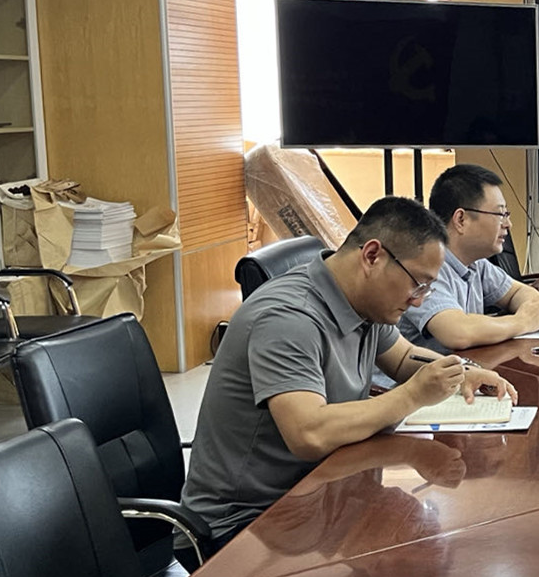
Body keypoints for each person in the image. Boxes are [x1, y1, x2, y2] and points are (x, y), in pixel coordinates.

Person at [181, 196, 518, 544]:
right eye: (417, 283)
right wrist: (413, 395)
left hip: (323, 493)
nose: (418, 300)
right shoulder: (289, 318)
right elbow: (309, 434)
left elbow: (404, 357)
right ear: (372, 256)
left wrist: (462, 371)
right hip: (249, 524)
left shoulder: (363, 301)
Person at [399, 164, 539, 352]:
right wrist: (523, 321)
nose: (508, 224)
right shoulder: (426, 268)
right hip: (419, 371)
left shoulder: (476, 264)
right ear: (461, 220)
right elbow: (458, 333)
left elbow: (516, 292)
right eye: (500, 214)